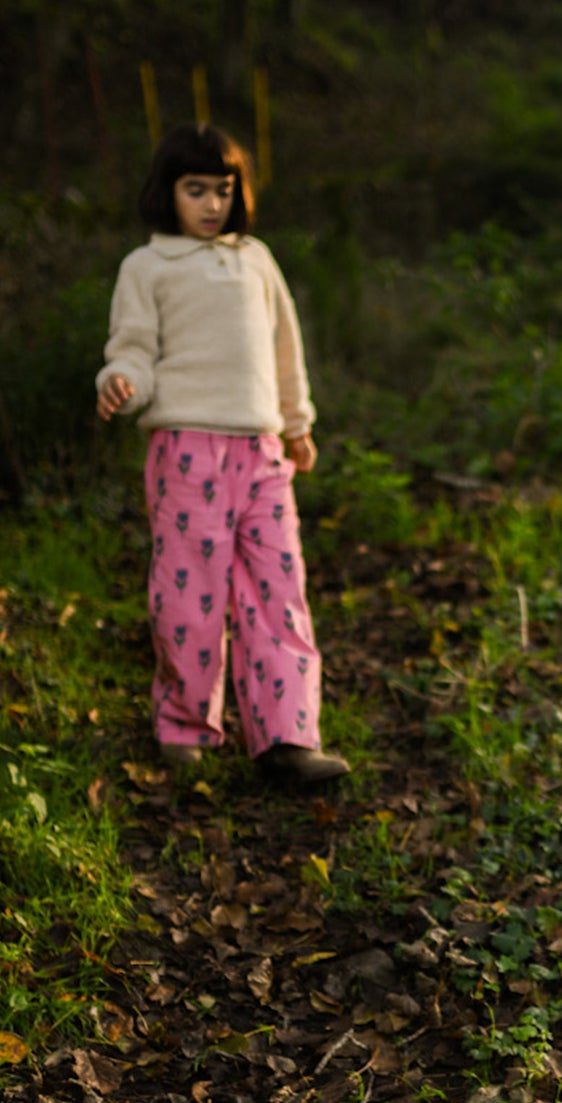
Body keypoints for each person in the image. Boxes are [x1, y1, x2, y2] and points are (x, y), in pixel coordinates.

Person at [96, 123, 349, 783]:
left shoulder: (256, 259)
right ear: (168, 192)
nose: (211, 204)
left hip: (262, 452)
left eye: (222, 190)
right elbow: (132, 349)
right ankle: (185, 727)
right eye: (195, 190)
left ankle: (288, 738)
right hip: (185, 450)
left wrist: (297, 424)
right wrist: (120, 384)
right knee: (190, 597)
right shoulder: (146, 266)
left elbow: (284, 348)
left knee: (278, 589)